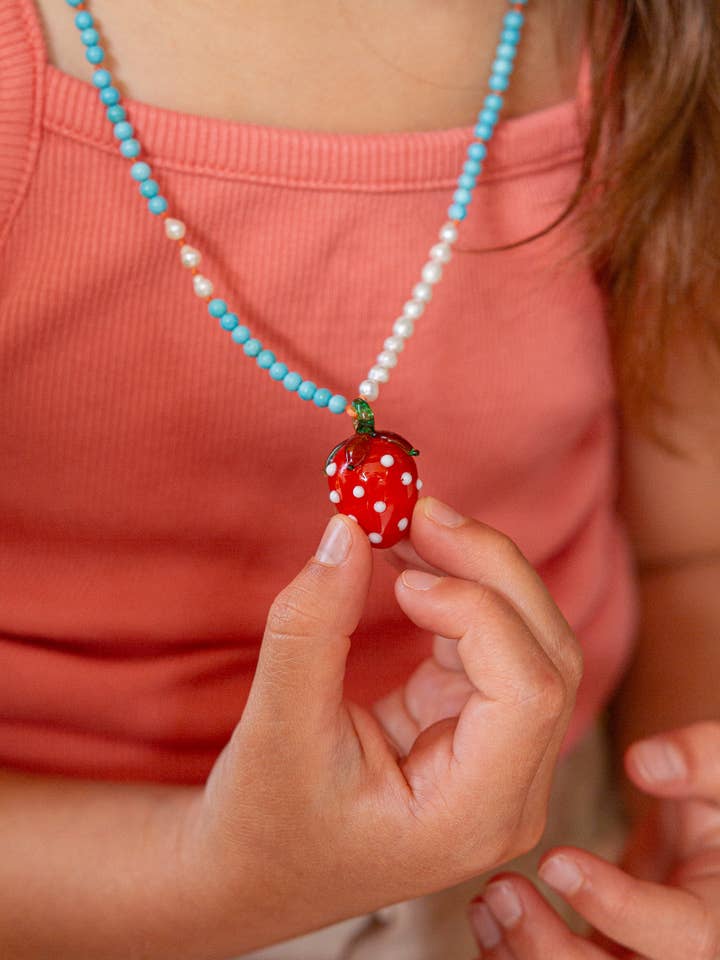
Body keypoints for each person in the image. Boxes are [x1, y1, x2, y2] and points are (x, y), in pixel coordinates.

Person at [0, 1, 718, 957]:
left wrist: (685, 814)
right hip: (67, 886)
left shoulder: (652, 42)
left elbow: (691, 556)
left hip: (539, 848)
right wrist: (214, 878)